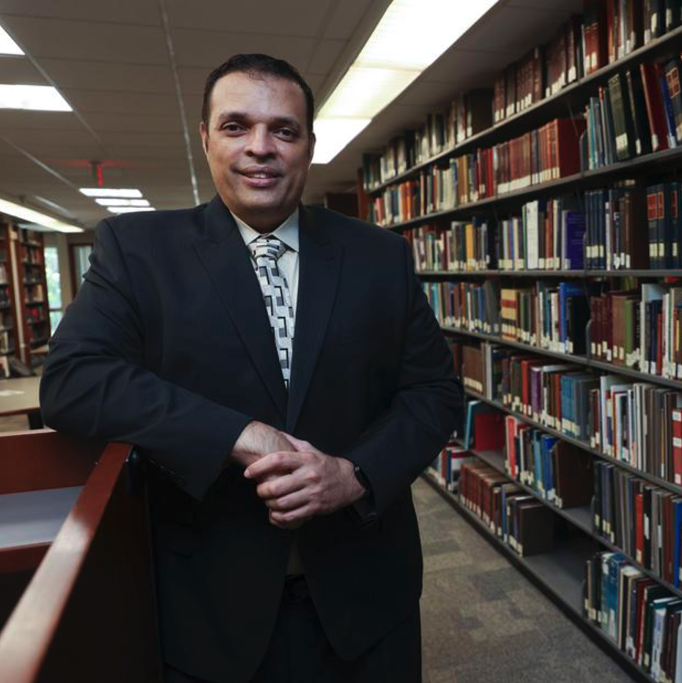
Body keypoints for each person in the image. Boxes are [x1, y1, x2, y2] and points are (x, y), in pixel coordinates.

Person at [39, 53, 462, 683]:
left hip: (365, 598)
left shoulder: (380, 257)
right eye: (237, 126)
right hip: (210, 607)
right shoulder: (137, 252)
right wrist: (240, 435)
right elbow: (73, 380)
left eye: (283, 130)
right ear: (205, 137)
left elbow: (434, 392)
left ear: (309, 146)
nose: (260, 148)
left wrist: (356, 475)